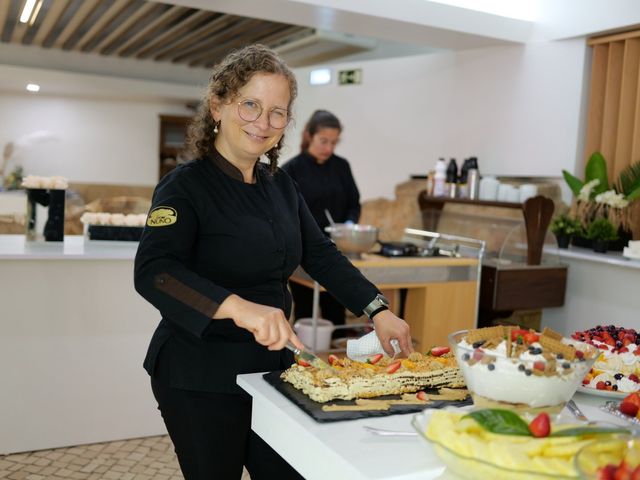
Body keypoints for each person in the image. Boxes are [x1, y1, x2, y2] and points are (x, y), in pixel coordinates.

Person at [134, 44, 412, 480]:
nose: (263, 123)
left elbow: (320, 253)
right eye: (250, 105)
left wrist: (377, 309)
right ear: (218, 106)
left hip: (272, 370)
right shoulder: (183, 187)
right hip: (199, 374)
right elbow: (155, 273)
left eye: (277, 112)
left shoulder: (281, 186)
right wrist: (239, 308)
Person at [281, 110, 360, 333]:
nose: (329, 148)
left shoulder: (341, 166)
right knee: (305, 312)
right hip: (305, 253)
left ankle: (340, 357)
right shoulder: (290, 170)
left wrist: (349, 224)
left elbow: (354, 203)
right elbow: (286, 214)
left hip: (337, 251)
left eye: (334, 143)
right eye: (323, 141)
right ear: (309, 136)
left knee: (337, 311)